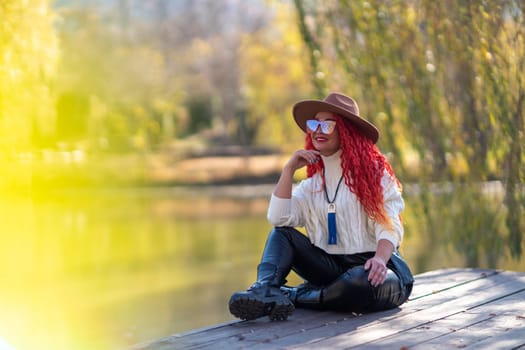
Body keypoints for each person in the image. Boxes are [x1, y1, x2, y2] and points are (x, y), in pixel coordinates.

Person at [228, 92, 414, 321]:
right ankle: (265, 289)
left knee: (358, 281)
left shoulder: (375, 176)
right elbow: (278, 218)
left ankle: (292, 295)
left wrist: (379, 258)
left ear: (346, 130)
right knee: (281, 234)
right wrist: (288, 171)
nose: (317, 130)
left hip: (375, 268)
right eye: (314, 124)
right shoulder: (312, 186)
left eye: (327, 124)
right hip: (331, 270)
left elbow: (390, 225)